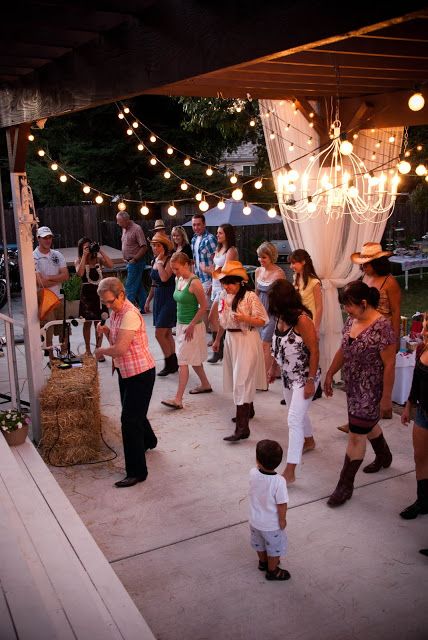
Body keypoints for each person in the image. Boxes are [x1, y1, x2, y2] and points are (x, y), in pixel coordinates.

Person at [324, 281, 395, 507]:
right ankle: (384, 455)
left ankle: (345, 484)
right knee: (363, 423)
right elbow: (343, 349)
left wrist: (386, 398)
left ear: (364, 303)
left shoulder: (382, 326)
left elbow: (390, 364)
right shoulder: (351, 320)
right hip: (353, 386)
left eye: (350, 306)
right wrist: (330, 373)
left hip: (371, 388)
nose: (347, 310)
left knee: (356, 434)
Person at [95, 277, 157, 488]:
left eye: (111, 301)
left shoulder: (130, 314)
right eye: (105, 303)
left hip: (140, 372)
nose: (108, 306)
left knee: (129, 420)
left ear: (121, 294)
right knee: (134, 413)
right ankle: (149, 441)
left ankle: (137, 472)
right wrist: (106, 331)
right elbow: (118, 339)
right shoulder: (116, 312)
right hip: (127, 371)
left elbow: (120, 348)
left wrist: (101, 351)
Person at [338, 242, 401, 431]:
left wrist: (395, 338)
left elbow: (396, 312)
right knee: (362, 377)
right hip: (364, 327)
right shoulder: (366, 277)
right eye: (363, 263)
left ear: (379, 263)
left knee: (378, 375)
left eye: (367, 263)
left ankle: (377, 410)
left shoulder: (390, 282)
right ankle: (360, 417)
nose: (363, 267)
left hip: (382, 331)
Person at [268, 280, 320, 483]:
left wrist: (310, 381)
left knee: (293, 419)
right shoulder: (281, 315)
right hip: (288, 377)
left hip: (304, 376)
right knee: (295, 411)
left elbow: (315, 351)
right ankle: (309, 440)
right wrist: (274, 368)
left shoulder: (302, 320)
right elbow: (278, 344)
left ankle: (290, 470)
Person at [212, 261, 268, 441]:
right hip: (230, 339)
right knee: (238, 377)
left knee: (241, 380)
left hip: (246, 339)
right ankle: (248, 409)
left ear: (240, 282)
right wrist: (218, 339)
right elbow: (223, 320)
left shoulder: (250, 297)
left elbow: (263, 320)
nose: (226, 286)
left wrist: (246, 318)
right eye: (224, 282)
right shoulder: (222, 295)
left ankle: (242, 428)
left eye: (230, 282)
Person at [161, 252, 212, 410]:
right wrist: (179, 325)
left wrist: (190, 325)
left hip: (193, 327)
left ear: (185, 265)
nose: (174, 272)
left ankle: (178, 399)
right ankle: (205, 384)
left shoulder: (194, 283)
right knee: (193, 359)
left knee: (182, 361)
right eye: (172, 269)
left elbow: (203, 307)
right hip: (182, 325)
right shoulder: (178, 279)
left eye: (176, 269)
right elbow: (179, 304)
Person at [399, 311, 428, 521]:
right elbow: (417, 382)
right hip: (423, 415)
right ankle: (423, 501)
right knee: (420, 458)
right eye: (425, 323)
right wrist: (409, 405)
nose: (424, 330)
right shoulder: (423, 348)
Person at [249, 439, 290, 581]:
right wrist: (282, 519)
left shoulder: (253, 473)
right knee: (275, 548)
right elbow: (282, 504)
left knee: (259, 543)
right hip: (271, 525)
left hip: (254, 521)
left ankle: (262, 562)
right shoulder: (279, 481)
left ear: (257, 460)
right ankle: (272, 571)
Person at [289, 249, 323, 400]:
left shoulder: (314, 282)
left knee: (311, 354)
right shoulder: (296, 278)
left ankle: (316, 386)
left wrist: (315, 326)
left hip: (310, 322)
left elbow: (319, 306)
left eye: (294, 262)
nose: (291, 266)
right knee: (300, 354)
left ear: (303, 262)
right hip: (298, 321)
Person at [203, 224, 238, 364]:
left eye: (220, 233)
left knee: (213, 318)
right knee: (217, 319)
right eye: (217, 233)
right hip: (216, 286)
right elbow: (217, 268)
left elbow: (227, 271)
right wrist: (212, 283)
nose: (217, 235)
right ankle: (220, 348)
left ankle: (219, 348)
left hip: (224, 287)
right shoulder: (219, 248)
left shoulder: (231, 250)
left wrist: (209, 271)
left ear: (227, 235)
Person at [144, 232, 178, 376]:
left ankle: (168, 362)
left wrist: (159, 263)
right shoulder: (154, 260)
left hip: (169, 297)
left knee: (159, 333)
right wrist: (148, 300)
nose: (155, 248)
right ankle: (173, 363)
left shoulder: (169, 260)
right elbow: (154, 282)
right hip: (158, 297)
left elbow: (164, 278)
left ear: (164, 246)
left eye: (158, 245)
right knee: (167, 333)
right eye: (153, 245)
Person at [33, 226, 69, 360]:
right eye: (45, 238)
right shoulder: (33, 257)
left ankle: (64, 354)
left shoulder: (57, 254)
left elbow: (66, 276)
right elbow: (40, 283)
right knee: (48, 329)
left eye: (50, 237)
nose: (48, 240)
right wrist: (55, 278)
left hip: (59, 297)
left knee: (63, 328)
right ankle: (52, 358)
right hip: (45, 299)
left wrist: (48, 278)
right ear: (38, 239)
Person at [74, 237, 113, 359]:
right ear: (81, 249)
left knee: (99, 323)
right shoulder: (79, 260)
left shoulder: (98, 259)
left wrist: (100, 250)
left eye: (89, 246)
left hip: (99, 294)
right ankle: (87, 350)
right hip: (87, 295)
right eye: (85, 247)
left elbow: (111, 265)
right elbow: (79, 274)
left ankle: (98, 350)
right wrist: (84, 256)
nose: (88, 249)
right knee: (87, 323)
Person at [255, 241, 286, 380]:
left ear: (271, 257)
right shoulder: (258, 271)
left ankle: (263, 378)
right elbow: (256, 292)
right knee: (258, 344)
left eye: (264, 257)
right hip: (259, 311)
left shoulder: (279, 273)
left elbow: (283, 296)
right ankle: (270, 372)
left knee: (265, 344)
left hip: (272, 312)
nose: (261, 260)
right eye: (259, 257)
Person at [116, 211, 148, 312]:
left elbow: (144, 247)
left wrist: (134, 259)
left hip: (136, 262)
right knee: (138, 286)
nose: (118, 223)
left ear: (126, 220)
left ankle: (126, 310)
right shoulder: (124, 229)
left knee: (129, 286)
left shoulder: (136, 229)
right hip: (129, 262)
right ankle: (144, 307)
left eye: (119, 221)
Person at [190, 213, 217, 327]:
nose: (196, 227)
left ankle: (212, 334)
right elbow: (195, 260)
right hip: (198, 276)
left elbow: (216, 261)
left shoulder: (210, 239)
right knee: (201, 306)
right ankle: (206, 332)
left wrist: (213, 283)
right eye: (194, 225)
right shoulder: (194, 239)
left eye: (199, 225)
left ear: (204, 224)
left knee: (207, 307)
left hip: (208, 278)